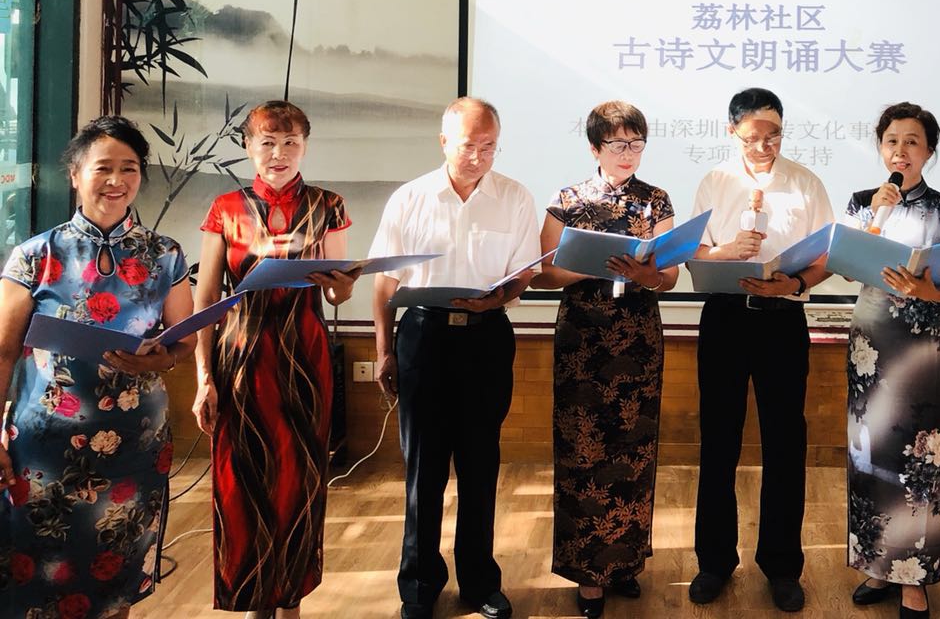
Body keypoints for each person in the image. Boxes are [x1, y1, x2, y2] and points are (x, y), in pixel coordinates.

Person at [0, 116, 195, 617]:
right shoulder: (34, 256)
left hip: (135, 445)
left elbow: (185, 341)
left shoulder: (165, 255)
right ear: (75, 175)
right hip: (43, 448)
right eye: (102, 167)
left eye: (129, 168)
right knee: (33, 571)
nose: (116, 180)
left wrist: (164, 356)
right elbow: (2, 351)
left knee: (117, 570)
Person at [370, 97, 539, 619]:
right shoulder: (410, 198)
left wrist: (499, 297)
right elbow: (385, 282)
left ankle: (479, 582)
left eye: (489, 147)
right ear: (444, 142)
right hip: (423, 338)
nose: (479, 157)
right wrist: (383, 350)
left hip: (487, 338)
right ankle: (419, 586)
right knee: (424, 470)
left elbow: (524, 272)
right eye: (469, 146)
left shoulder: (514, 196)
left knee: (480, 464)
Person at [192, 100, 357, 618]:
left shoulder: (329, 204)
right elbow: (206, 299)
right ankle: (252, 599)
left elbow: (337, 296)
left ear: (305, 146)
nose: (278, 153)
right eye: (267, 142)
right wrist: (203, 377)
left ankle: (291, 602)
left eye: (290, 142)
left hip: (305, 360)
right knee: (240, 481)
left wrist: (342, 284)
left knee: (301, 479)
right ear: (248, 147)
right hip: (240, 359)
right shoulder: (225, 207)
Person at [687, 88, 833, 613]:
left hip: (781, 319)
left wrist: (796, 284)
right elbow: (693, 252)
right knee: (718, 440)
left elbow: (825, 257)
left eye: (774, 135)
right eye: (753, 137)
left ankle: (782, 566)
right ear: (733, 132)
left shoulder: (805, 182)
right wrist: (725, 252)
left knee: (785, 443)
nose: (765, 145)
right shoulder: (715, 180)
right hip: (725, 318)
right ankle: (714, 562)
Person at [531, 101, 676, 619]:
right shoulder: (567, 200)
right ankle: (588, 576)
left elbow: (669, 277)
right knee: (582, 452)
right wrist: (591, 267)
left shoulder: (655, 199)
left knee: (634, 451)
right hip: (583, 341)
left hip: (637, 336)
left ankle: (625, 562)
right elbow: (543, 275)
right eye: (618, 144)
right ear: (595, 148)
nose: (628, 153)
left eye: (636, 144)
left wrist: (643, 275)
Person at [845, 103, 940, 619]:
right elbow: (848, 268)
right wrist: (877, 216)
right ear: (881, 147)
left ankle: (914, 577)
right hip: (872, 340)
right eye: (892, 141)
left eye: (913, 141)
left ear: (929, 151)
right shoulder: (861, 203)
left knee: (922, 458)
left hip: (925, 343)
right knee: (871, 450)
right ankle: (878, 565)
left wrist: (925, 289)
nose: (901, 151)